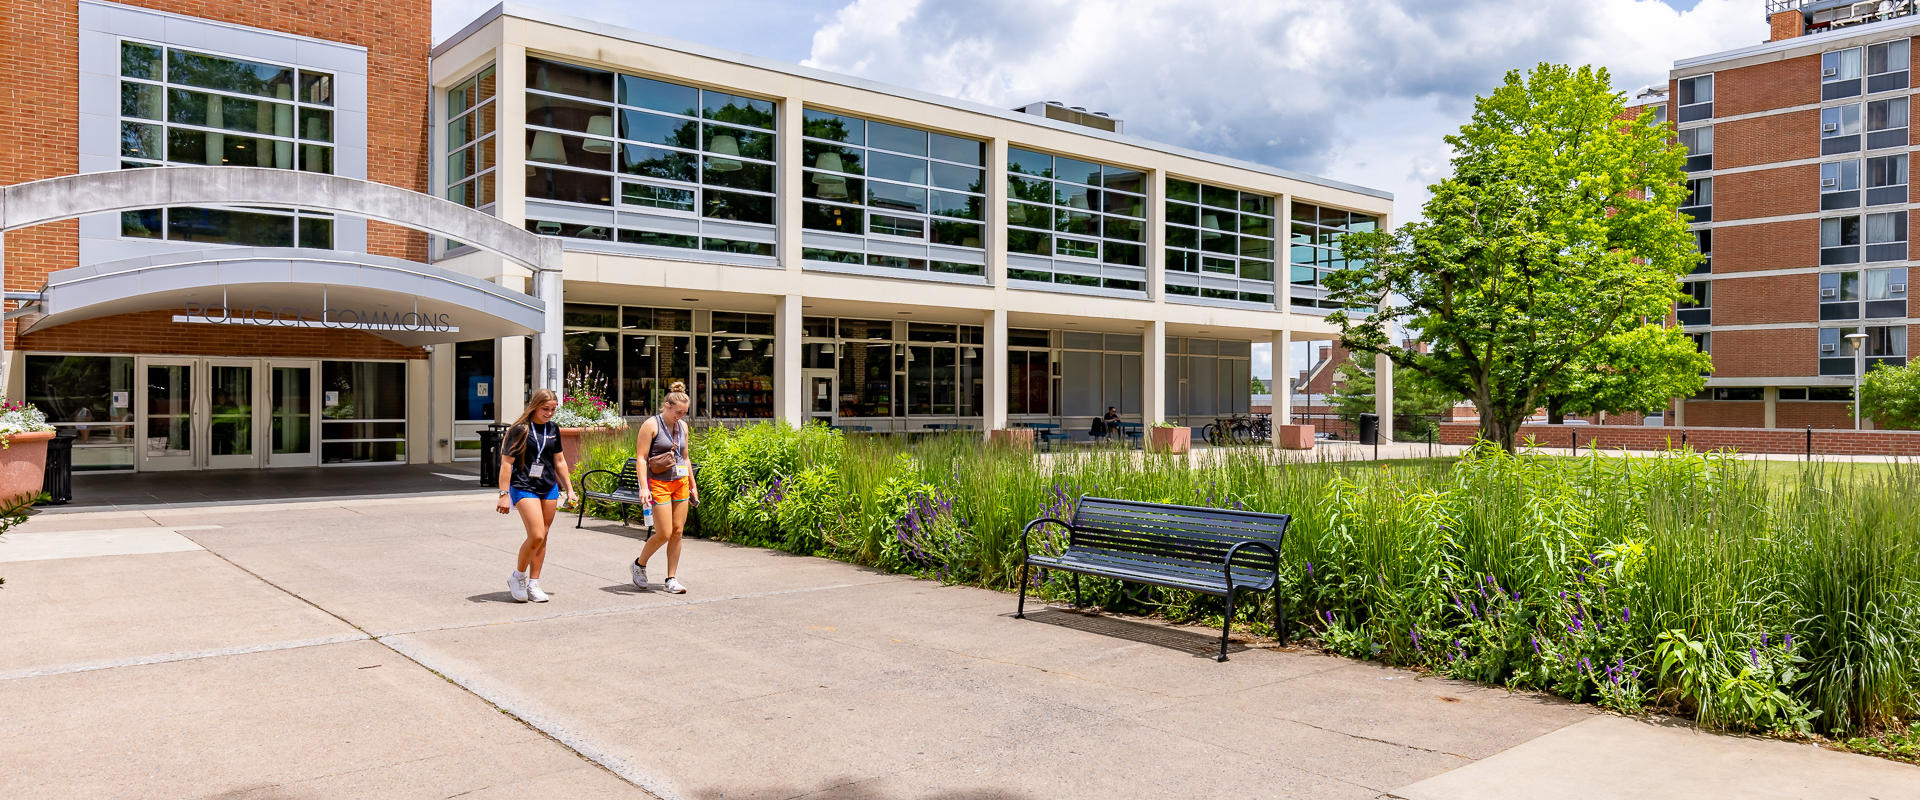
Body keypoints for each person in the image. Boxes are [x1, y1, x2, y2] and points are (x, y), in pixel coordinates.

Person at [497, 388, 576, 603]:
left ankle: (534, 583)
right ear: (534, 406)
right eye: (545, 409)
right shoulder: (520, 429)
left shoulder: (553, 428)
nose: (549, 413)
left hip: (548, 486)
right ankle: (518, 576)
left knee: (544, 536)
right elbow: (506, 463)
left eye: (553, 409)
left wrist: (569, 489)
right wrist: (504, 494)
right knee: (537, 534)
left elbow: (559, 461)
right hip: (524, 486)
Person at [630, 381, 698, 594]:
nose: (681, 416)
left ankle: (671, 578)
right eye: (678, 412)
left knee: (678, 532)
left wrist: (693, 486)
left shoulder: (683, 427)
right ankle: (639, 565)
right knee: (664, 533)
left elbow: (685, 459)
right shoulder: (651, 425)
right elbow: (641, 459)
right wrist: (643, 487)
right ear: (667, 406)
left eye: (684, 413)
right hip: (658, 483)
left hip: (680, 483)